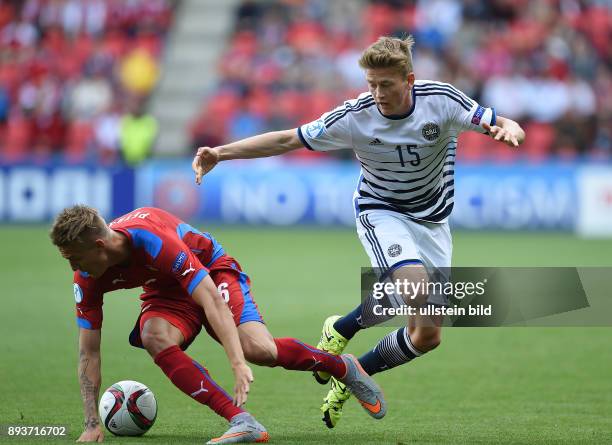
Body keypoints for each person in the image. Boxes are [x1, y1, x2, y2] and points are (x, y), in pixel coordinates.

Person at [192, 35, 525, 428]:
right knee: (415, 289)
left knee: (427, 336)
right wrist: (221, 153)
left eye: (386, 84)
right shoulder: (355, 115)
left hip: (433, 221)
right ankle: (346, 345)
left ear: (410, 80)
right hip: (381, 211)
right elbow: (287, 139)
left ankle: (348, 364)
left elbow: (504, 123)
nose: (378, 93)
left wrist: (511, 132)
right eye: (371, 84)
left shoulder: (443, 101)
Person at [50, 205, 385, 444]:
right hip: (165, 287)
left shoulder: (152, 239)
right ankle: (242, 421)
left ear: (98, 246)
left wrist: (237, 361)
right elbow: (88, 352)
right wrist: (92, 423)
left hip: (210, 270)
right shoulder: (87, 278)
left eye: (73, 258)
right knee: (154, 335)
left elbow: (210, 298)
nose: (73, 268)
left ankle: (341, 366)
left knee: (259, 350)